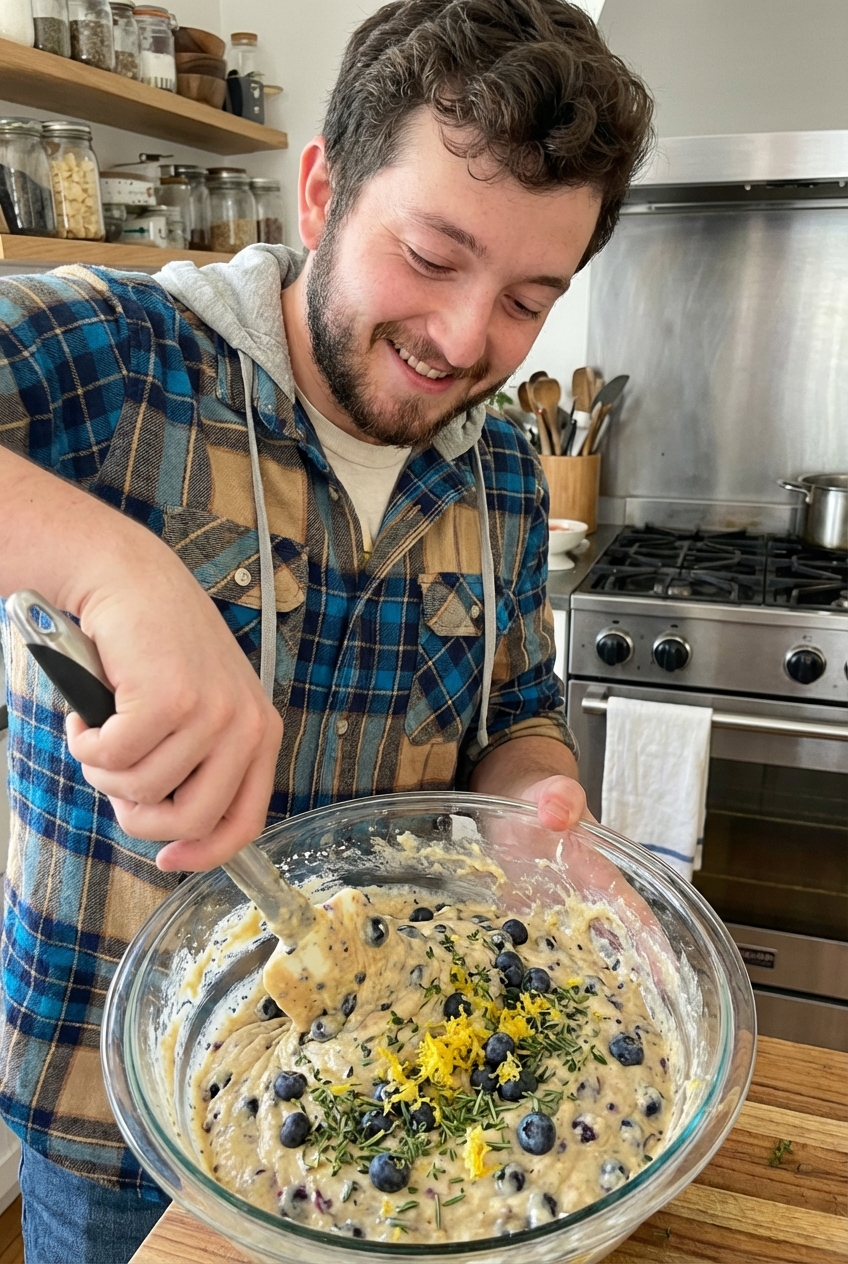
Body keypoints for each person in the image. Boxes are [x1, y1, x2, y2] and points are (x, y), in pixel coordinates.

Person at [0, 1, 653, 1259]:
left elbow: (512, 710)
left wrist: (538, 799)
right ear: (319, 190)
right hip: (116, 1125)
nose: (466, 341)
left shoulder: (504, 470)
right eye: (429, 253)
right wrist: (113, 563)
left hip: (396, 1118)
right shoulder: (126, 362)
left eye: (527, 299)